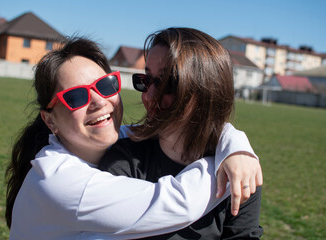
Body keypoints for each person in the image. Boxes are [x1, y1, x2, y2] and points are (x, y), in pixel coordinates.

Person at [5, 36, 261, 239]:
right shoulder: (61, 182)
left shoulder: (117, 140)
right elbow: (180, 203)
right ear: (50, 120)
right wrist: (236, 162)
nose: (98, 102)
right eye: (75, 97)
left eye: (105, 86)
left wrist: (234, 145)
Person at [99, 27, 263, 239]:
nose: (149, 96)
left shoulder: (240, 170)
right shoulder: (124, 160)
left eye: (168, 84)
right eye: (146, 80)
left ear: (207, 91)